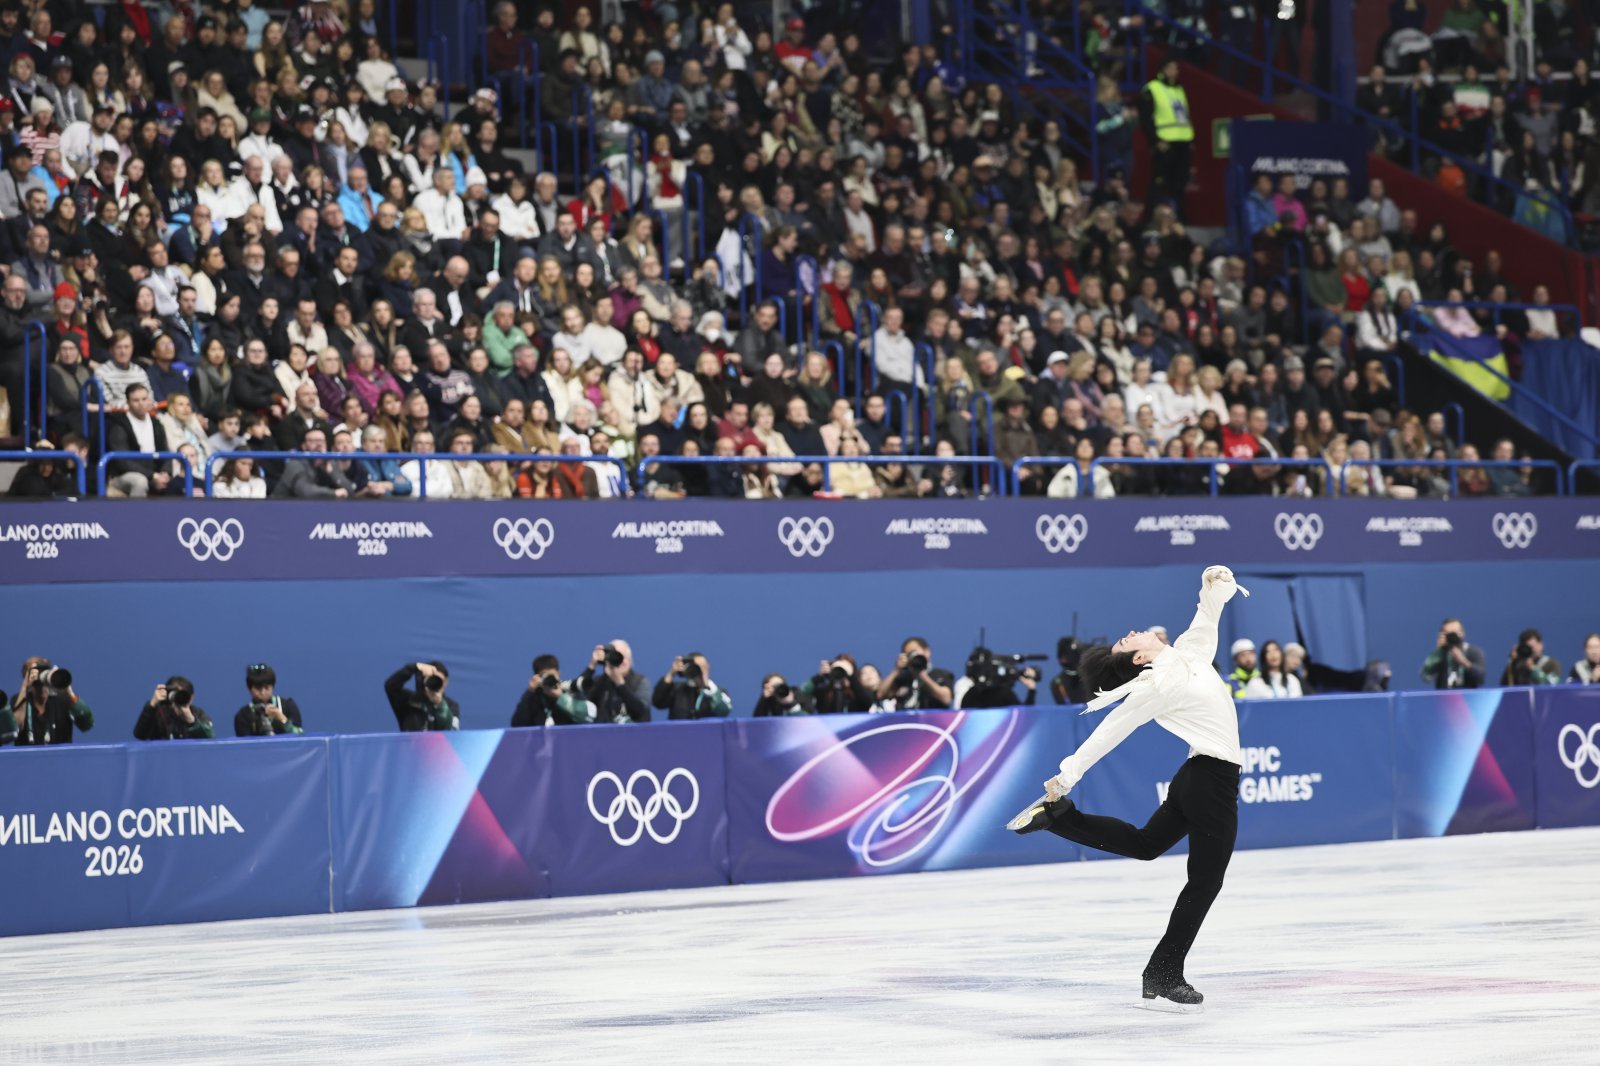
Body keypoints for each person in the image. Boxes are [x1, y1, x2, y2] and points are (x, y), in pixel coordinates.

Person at [1008, 566, 1252, 1012]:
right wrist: (1068, 773)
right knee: (1206, 880)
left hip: (1197, 776)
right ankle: (1164, 971)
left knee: (1146, 844)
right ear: (1139, 660)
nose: (1130, 632)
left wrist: (1213, 583)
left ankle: (1060, 818)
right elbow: (1113, 728)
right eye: (1127, 642)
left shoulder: (1186, 659)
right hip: (1210, 780)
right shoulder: (1159, 681)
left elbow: (1206, 620)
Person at [3, 658, 93, 746]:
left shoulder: (63, 699)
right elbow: (15, 728)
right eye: (35, 671)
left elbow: (87, 725)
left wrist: (69, 693)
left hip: (61, 758)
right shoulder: (20, 700)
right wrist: (24, 688)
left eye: (43, 671)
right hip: (28, 759)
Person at [578, 641, 652, 723]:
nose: (620, 662)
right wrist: (592, 666)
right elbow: (579, 699)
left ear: (630, 661)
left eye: (623, 657)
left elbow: (640, 712)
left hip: (632, 734)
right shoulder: (600, 681)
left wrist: (620, 683)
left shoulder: (640, 682)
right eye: (615, 657)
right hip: (602, 733)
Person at [511, 655, 593, 726]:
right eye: (545, 676)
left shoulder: (570, 692)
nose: (550, 679)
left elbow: (588, 717)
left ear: (559, 673)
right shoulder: (533, 698)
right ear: (536, 677)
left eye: (553, 675)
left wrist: (560, 697)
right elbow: (517, 724)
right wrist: (530, 691)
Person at [876, 636, 954, 709]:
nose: (912, 656)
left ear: (927, 651)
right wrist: (896, 670)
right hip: (905, 721)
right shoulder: (903, 678)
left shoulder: (942, 674)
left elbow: (946, 699)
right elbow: (880, 695)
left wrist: (923, 675)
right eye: (908, 654)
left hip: (932, 721)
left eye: (914, 651)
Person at [651, 652, 734, 720]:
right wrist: (671, 673)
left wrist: (706, 683)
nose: (697, 670)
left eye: (701, 667)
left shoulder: (716, 692)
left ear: (707, 667)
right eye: (694, 667)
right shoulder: (677, 689)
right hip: (678, 736)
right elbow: (658, 702)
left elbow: (723, 711)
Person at [383, 661, 461, 731]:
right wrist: (414, 667)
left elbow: (452, 733)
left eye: (438, 680)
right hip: (411, 746)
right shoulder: (408, 701)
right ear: (424, 680)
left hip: (439, 747)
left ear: (446, 682)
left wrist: (439, 705)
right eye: (431, 679)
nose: (434, 683)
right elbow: (390, 686)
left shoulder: (451, 705)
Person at [234, 663, 305, 737]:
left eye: (267, 687)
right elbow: (244, 745)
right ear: (249, 689)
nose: (263, 692)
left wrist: (282, 718)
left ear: (273, 686)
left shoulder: (288, 705)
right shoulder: (243, 716)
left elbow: (300, 736)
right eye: (258, 688)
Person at [133, 676, 216, 740]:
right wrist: (152, 705)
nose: (179, 698)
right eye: (176, 694)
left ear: (191, 697)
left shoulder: (199, 714)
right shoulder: (159, 714)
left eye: (182, 695)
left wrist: (191, 721)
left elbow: (210, 739)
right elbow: (140, 735)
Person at [1420, 618, 1487, 689]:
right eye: (1447, 634)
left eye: (1453, 633)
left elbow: (1481, 678)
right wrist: (1438, 653)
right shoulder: (1440, 654)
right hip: (1444, 698)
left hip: (1468, 698)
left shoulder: (1474, 652)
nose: (1451, 637)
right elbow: (1425, 677)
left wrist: (1464, 662)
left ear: (1462, 634)